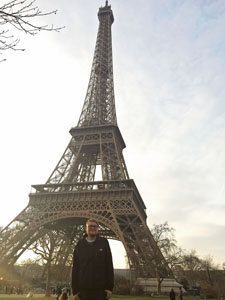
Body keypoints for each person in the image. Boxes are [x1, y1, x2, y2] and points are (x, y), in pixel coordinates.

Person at [72, 219, 114, 300]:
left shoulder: (104, 243)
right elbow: (75, 268)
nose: (93, 228)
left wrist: (109, 288)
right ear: (86, 228)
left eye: (95, 226)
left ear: (98, 228)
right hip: (83, 290)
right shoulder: (80, 244)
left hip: (100, 290)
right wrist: (75, 291)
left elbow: (109, 265)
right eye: (90, 226)